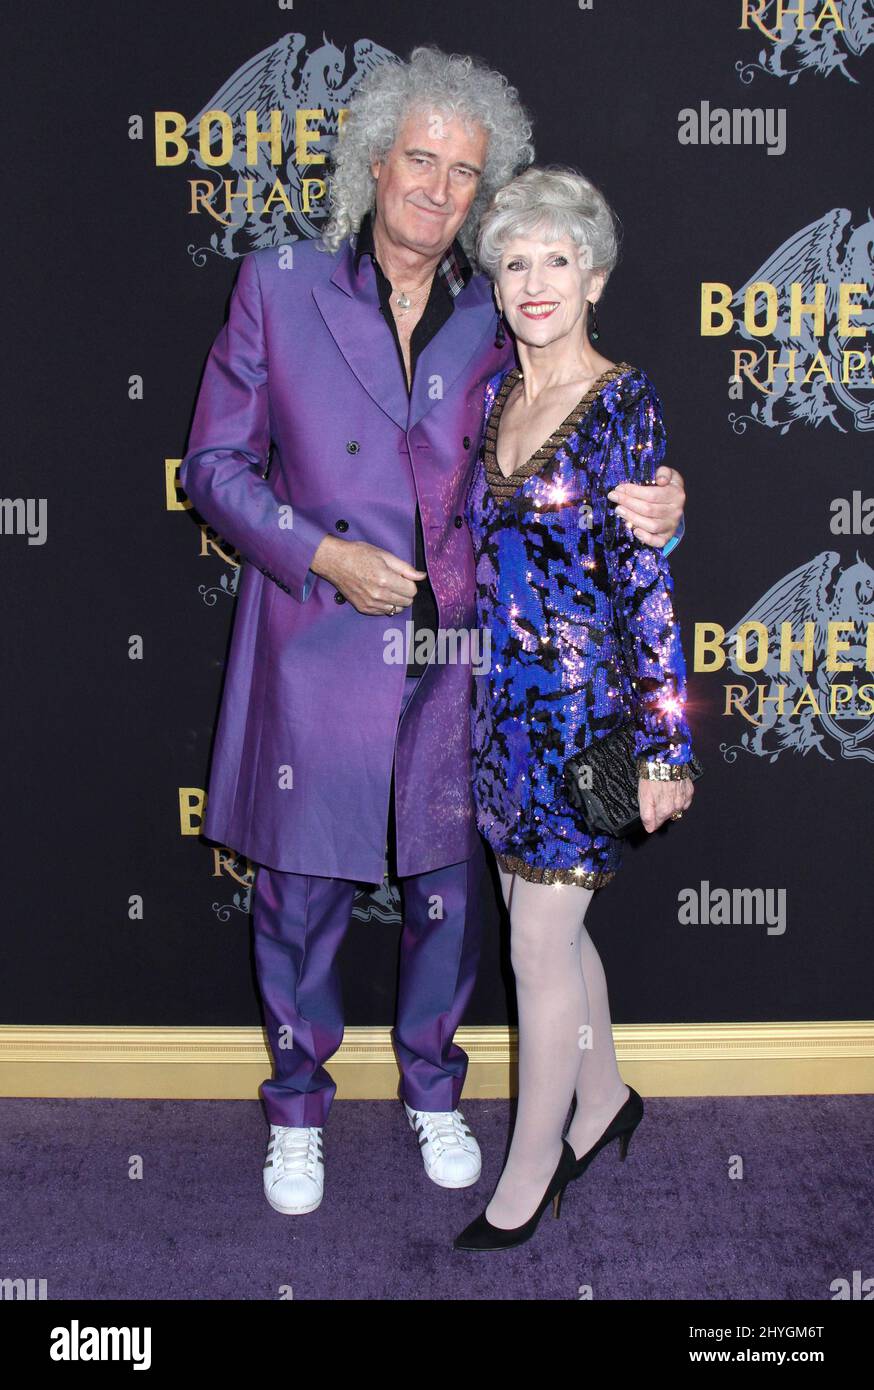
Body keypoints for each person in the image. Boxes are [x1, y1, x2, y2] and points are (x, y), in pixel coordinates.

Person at [179, 47, 687, 1218]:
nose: (437, 188)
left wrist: (663, 499)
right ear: (373, 160)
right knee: (298, 895)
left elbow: (576, 419)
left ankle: (431, 1090)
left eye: (464, 172)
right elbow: (209, 464)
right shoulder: (282, 280)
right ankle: (297, 1108)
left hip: (462, 659)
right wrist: (320, 552)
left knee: (448, 899)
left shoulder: (498, 304)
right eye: (419, 158)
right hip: (314, 643)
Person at [454, 166, 696, 1251]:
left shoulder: (621, 401)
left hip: (579, 720)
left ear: (593, 275)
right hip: (496, 715)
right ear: (494, 283)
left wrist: (664, 747)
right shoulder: (498, 393)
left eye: (557, 258)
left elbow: (646, 585)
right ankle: (603, 1103)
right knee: (541, 926)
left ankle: (531, 1167)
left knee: (536, 949)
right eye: (513, 261)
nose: (534, 280)